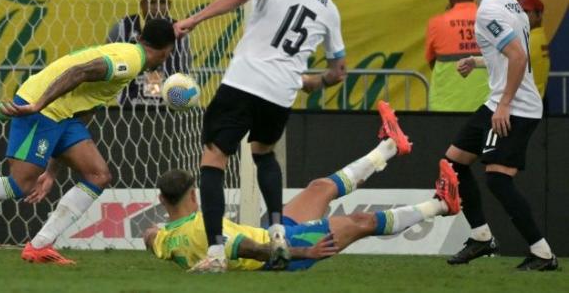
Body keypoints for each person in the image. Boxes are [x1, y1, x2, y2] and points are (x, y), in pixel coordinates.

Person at [0, 19, 177, 264]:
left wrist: (51, 170)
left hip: (64, 115)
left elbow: (86, 108)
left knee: (98, 175)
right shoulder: (130, 61)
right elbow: (79, 72)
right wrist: (38, 104)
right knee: (20, 185)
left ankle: (40, 245)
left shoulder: (130, 55)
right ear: (166, 52)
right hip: (42, 107)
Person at [173, 0, 347, 272]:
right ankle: (278, 232)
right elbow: (339, 69)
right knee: (263, 153)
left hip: (244, 80)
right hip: (280, 94)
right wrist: (315, 82)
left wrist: (193, 19)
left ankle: (216, 253)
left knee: (214, 159)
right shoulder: (329, 8)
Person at [145, 102, 461, 271]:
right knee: (359, 222)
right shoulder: (198, 229)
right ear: (195, 195)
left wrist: (158, 231)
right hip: (284, 253)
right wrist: (303, 252)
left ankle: (392, 146)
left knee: (319, 187)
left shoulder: (166, 239)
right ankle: (442, 204)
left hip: (271, 229)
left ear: (162, 199)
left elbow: (151, 238)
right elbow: (249, 250)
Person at [446, 0, 558, 271]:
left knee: (497, 179)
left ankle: (542, 254)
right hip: (500, 101)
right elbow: (511, 52)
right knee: (453, 162)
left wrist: (505, 104)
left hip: (514, 106)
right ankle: (481, 237)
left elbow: (519, 57)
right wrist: (478, 61)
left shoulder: (488, 11)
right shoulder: (511, 2)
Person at [107, 0, 191, 106]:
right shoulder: (124, 27)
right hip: (126, 106)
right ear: (142, 4)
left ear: (169, 4)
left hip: (165, 107)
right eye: (152, 2)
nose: (157, 7)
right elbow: (108, 60)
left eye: (162, 2)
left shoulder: (179, 32)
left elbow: (184, 69)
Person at [425, 0, 489, 111]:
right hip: (483, 106)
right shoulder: (489, 20)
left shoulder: (437, 23)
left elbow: (432, 62)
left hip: (444, 107)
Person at [517, 0, 550, 98]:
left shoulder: (529, 40)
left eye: (526, 12)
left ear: (539, 15)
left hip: (526, 104)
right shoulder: (539, 36)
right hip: (536, 99)